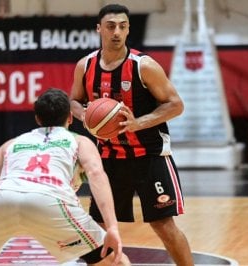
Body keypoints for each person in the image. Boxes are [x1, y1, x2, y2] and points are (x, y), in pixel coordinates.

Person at [0, 88, 131, 266]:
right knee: (115, 259)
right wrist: (112, 226)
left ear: (37, 119)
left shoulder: (12, 143)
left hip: (2, 197)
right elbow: (97, 174)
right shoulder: (79, 141)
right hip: (51, 200)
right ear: (70, 117)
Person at [69, 4, 194, 266]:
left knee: (163, 225)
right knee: (99, 226)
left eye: (122, 26)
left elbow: (175, 104)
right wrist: (86, 116)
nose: (117, 32)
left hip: (150, 156)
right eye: (111, 26)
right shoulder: (85, 66)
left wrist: (138, 123)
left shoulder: (144, 66)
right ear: (99, 29)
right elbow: (73, 101)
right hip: (110, 158)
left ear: (128, 30)